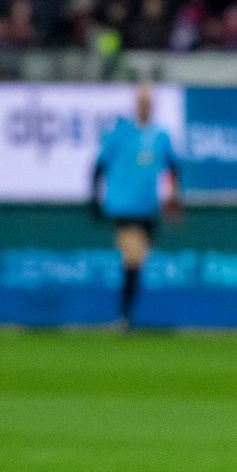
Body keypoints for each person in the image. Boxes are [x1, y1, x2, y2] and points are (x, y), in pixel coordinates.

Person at [91, 85, 181, 328]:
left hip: (148, 209)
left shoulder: (160, 136)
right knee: (133, 258)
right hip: (124, 207)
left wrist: (174, 196)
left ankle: (126, 315)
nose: (144, 105)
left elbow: (173, 167)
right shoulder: (121, 133)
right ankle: (124, 315)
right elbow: (99, 166)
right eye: (141, 100)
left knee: (137, 262)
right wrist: (95, 199)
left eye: (148, 101)